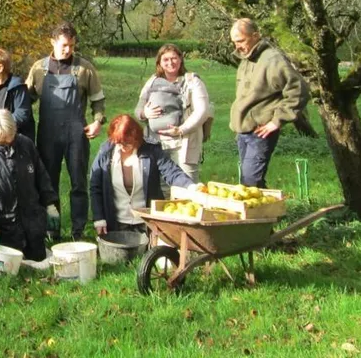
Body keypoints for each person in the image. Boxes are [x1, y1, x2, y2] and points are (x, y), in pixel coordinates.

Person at [25, 21, 106, 240]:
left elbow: (98, 100)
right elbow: (24, 100)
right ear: (52, 42)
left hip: (76, 134)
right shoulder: (39, 69)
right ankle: (52, 229)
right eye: (63, 45)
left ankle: (78, 231)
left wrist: (97, 121)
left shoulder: (84, 68)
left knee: (78, 183)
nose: (67, 49)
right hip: (47, 134)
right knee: (48, 182)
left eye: (71, 45)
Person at [229, 18, 309, 188]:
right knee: (248, 182)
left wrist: (276, 121)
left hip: (261, 131)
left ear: (255, 36)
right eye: (234, 42)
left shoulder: (272, 60)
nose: (237, 46)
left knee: (251, 181)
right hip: (243, 131)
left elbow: (298, 90)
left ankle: (269, 214)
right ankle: (266, 213)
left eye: (241, 41)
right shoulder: (246, 58)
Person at [90, 115, 203, 235]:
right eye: (119, 143)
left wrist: (191, 186)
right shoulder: (105, 152)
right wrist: (99, 219)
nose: (123, 147)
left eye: (127, 143)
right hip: (115, 224)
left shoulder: (152, 149)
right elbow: (95, 186)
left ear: (136, 137)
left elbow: (172, 172)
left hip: (148, 222)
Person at [0, 110, 60, 262]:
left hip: (32, 221)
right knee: (13, 264)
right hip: (6, 227)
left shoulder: (26, 144)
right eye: (3, 141)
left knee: (39, 260)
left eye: (10, 138)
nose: (8, 142)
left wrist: (50, 204)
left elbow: (42, 177)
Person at [135, 44, 213, 183]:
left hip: (186, 142)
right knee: (163, 187)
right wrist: (145, 113)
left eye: (174, 58)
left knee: (187, 184)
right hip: (157, 143)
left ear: (180, 59)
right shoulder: (152, 82)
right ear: (159, 62)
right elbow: (138, 110)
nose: (170, 63)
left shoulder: (193, 81)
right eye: (166, 59)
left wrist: (181, 130)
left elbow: (202, 111)